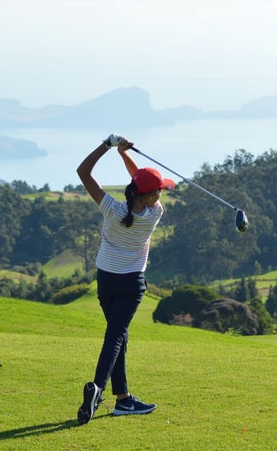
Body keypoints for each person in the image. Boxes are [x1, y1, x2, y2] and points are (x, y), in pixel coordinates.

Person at [75, 133, 175, 425]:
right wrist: (123, 154)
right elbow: (139, 182)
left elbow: (84, 172)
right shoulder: (155, 212)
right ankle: (97, 388)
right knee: (116, 335)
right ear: (152, 196)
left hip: (105, 279)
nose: (161, 195)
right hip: (131, 283)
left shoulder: (112, 208)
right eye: (159, 191)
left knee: (119, 334)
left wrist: (109, 146)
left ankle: (123, 400)